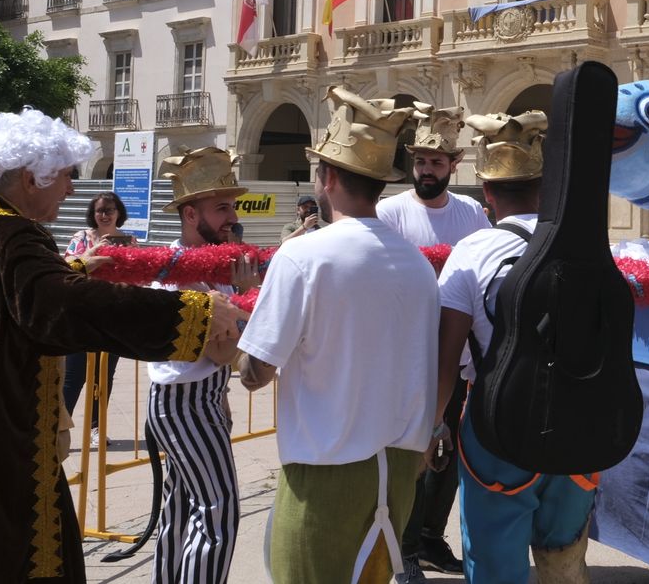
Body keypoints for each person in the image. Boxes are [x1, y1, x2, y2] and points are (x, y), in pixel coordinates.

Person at [0, 109, 244, 583]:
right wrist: (192, 314)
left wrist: (71, 270)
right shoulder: (10, 236)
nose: (73, 190)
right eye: (68, 177)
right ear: (34, 178)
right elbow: (60, 307)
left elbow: (10, 297)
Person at [238, 88, 439, 583]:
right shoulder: (416, 263)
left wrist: (234, 323)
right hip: (398, 473)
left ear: (327, 178)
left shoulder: (303, 255)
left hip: (326, 468)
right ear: (380, 184)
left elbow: (255, 374)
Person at [430, 110, 601, 584]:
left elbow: (447, 358)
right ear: (546, 187)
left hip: (496, 425)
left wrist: (431, 427)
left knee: (494, 562)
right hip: (575, 426)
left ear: (486, 194)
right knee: (565, 558)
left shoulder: (472, 252)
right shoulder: (586, 245)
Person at [375, 105, 488, 582]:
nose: (426, 170)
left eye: (436, 163)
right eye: (420, 162)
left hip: (458, 357)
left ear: (453, 166)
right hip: (408, 358)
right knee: (411, 457)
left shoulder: (473, 214)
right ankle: (402, 552)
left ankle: (430, 538)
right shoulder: (390, 211)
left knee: (450, 458)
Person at [148, 147, 258, 584]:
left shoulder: (209, 267)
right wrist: (245, 299)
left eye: (232, 205)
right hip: (183, 404)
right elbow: (221, 351)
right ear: (191, 214)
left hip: (199, 400)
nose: (232, 216)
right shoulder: (178, 272)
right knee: (219, 510)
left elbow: (221, 357)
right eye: (222, 208)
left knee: (181, 508)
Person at [62, 192, 131, 448]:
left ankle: (95, 429)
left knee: (104, 377)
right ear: (93, 213)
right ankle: (58, 428)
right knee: (73, 375)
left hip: (112, 318)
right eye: (100, 210)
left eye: (110, 209)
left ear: (118, 212)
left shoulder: (127, 241)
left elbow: (137, 276)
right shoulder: (81, 238)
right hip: (81, 315)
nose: (105, 214)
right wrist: (92, 252)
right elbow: (65, 265)